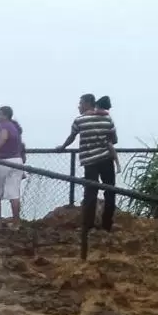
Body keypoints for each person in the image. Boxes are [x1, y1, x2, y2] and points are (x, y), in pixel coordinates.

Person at [56, 93, 118, 232]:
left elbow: (71, 137)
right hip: (106, 159)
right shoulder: (107, 118)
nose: (79, 106)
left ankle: (88, 225)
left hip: (89, 161)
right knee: (110, 191)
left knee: (90, 192)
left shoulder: (79, 120)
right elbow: (114, 140)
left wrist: (62, 147)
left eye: (80, 103)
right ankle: (107, 224)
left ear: (87, 104)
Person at [0, 106, 26, 223]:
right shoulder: (15, 127)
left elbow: (3, 138)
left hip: (3, 161)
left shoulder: (3, 126)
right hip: (17, 161)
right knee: (14, 194)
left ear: (5, 116)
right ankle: (16, 222)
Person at [95, 95, 121, 173]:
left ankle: (118, 165)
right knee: (110, 146)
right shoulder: (107, 117)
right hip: (106, 146)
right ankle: (118, 164)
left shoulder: (96, 114)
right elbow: (115, 139)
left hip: (96, 150)